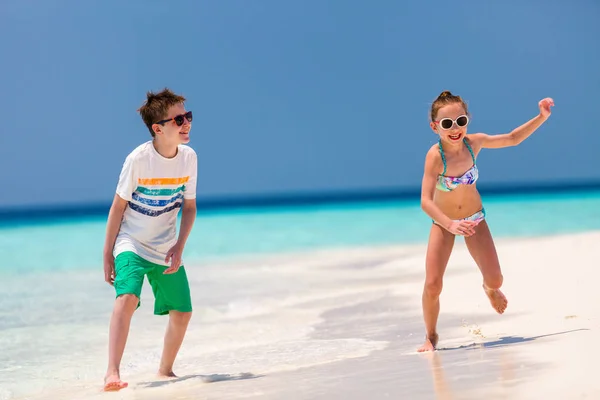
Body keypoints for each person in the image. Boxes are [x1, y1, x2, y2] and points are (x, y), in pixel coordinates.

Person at [418, 90, 554, 352]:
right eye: (447, 124)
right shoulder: (435, 156)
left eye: (461, 121)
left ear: (467, 120)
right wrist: (450, 224)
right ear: (435, 126)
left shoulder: (474, 143)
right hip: (445, 224)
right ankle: (431, 336)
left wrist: (542, 117)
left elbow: (513, 138)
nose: (455, 128)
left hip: (475, 219)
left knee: (496, 280)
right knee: (433, 284)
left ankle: (489, 290)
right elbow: (426, 201)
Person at [102, 88, 198, 390]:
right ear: (158, 128)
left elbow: (190, 207)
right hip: (130, 241)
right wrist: (107, 254)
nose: (187, 123)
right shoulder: (138, 160)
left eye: (188, 116)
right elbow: (118, 206)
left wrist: (180, 246)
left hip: (165, 245)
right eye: (179, 119)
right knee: (127, 297)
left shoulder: (189, 158)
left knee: (182, 312)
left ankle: (165, 370)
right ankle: (112, 372)